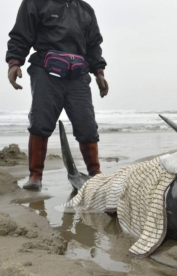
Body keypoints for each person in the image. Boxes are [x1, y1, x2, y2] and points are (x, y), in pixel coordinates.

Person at [6, 0, 109, 189]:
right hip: (46, 72)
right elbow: (21, 34)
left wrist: (99, 73)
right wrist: (14, 63)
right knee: (41, 122)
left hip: (78, 76)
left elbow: (94, 44)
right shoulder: (35, 3)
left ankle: (95, 173)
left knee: (87, 125)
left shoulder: (85, 10)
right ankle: (35, 175)